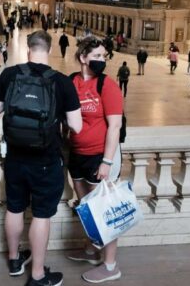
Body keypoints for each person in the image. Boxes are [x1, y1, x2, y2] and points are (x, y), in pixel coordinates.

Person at [0, 30, 82, 286]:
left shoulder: (10, 74)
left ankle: (15, 260)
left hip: (15, 157)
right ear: (49, 50)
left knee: (14, 207)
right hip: (45, 159)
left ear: (28, 49)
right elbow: (77, 126)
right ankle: (38, 275)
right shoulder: (61, 81)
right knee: (41, 215)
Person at [64, 37, 124, 283]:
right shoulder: (72, 82)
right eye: (96, 56)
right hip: (77, 154)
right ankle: (91, 250)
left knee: (105, 210)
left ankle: (110, 266)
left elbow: (115, 126)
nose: (101, 61)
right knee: (86, 207)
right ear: (82, 58)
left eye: (104, 57)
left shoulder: (107, 86)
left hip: (100, 155)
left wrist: (107, 162)